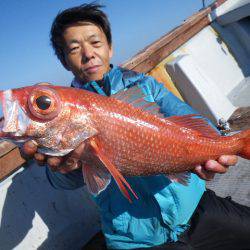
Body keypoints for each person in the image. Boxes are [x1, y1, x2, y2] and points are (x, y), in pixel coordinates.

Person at [21, 3, 250, 250]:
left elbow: (201, 127)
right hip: (137, 238)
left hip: (195, 207)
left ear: (110, 47)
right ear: (65, 61)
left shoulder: (145, 86)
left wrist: (215, 150)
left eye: (95, 43)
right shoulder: (63, 112)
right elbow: (62, 181)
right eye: (74, 49)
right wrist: (70, 167)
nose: (88, 54)